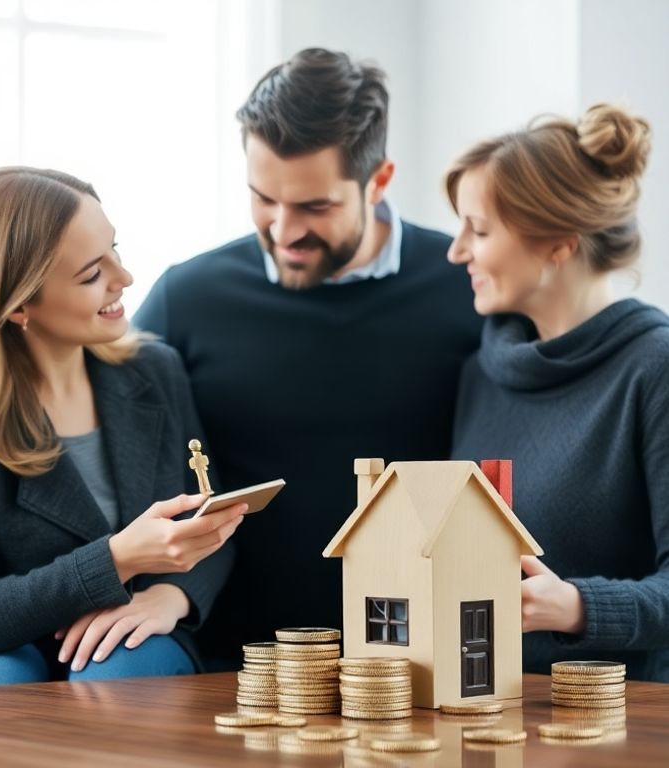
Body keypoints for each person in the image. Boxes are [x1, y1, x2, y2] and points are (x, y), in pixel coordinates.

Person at [133, 48, 483, 668]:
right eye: (263, 198)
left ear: (379, 181)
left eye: (315, 207)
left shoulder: (468, 287)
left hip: (424, 663)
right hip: (234, 663)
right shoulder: (186, 297)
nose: (284, 230)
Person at [0, 167, 246, 684]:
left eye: (115, 249)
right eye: (91, 274)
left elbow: (214, 521)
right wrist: (114, 561)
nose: (123, 278)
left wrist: (172, 595)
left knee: (117, 672)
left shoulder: (155, 371)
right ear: (20, 305)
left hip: (136, 645)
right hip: (16, 644)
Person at [446, 104, 669, 681]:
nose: (457, 251)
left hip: (621, 712)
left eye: (480, 230)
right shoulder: (479, 375)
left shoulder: (655, 368)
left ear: (559, 244)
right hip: (480, 702)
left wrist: (576, 606)